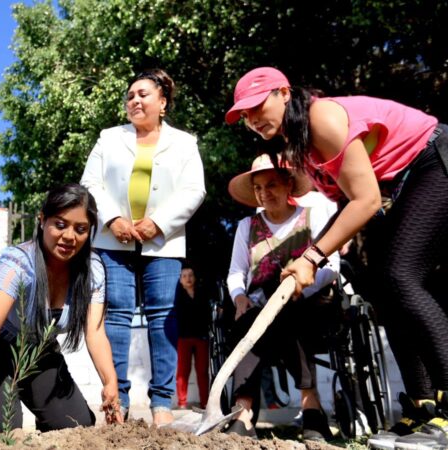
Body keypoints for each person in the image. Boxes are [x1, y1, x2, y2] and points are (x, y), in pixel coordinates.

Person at [226, 67, 448, 447]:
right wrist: (328, 244)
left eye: (257, 106)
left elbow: (367, 199)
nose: (252, 119)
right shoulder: (300, 147)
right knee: (381, 286)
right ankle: (424, 406)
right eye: (244, 115)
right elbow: (349, 198)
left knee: (399, 276)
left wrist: (311, 257)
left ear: (283, 92)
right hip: (399, 185)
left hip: (432, 163)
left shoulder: (321, 118)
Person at [81, 68, 206, 425]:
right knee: (116, 314)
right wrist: (112, 220)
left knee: (162, 315)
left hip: (162, 241)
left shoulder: (184, 143)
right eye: (130, 95)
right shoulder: (108, 138)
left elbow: (194, 190)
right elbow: (90, 183)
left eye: (143, 94)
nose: (134, 100)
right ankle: (116, 401)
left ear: (162, 103)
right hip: (113, 240)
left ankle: (162, 405)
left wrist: (159, 222)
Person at [0, 183, 122, 433]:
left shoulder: (93, 270)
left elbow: (95, 333)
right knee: (3, 428)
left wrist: (110, 382)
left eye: (80, 229)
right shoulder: (18, 263)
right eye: (60, 224)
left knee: (75, 426)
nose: (70, 236)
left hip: (41, 353)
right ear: (42, 220)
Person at [225, 154, 339, 440]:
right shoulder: (245, 227)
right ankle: (243, 411)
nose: (265, 193)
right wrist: (239, 297)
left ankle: (309, 404)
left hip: (310, 302)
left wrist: (298, 289)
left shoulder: (313, 216)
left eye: (271, 185)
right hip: (261, 307)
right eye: (258, 188)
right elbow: (236, 273)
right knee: (249, 319)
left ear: (289, 184)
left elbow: (332, 266)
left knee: (290, 313)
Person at [174, 265, 211, 410]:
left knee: (202, 371)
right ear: (180, 280)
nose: (188, 278)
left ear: (195, 278)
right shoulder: (178, 295)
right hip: (183, 338)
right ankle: (182, 403)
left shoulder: (202, 293)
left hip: (201, 337)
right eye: (184, 276)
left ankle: (205, 403)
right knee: (183, 371)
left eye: (190, 275)